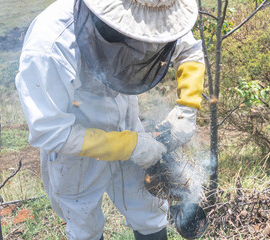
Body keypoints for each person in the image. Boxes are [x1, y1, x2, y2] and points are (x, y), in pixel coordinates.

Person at [15, 0, 205, 239]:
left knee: (148, 209)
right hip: (75, 144)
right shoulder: (50, 45)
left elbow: (188, 49)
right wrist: (131, 146)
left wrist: (186, 108)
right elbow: (52, 132)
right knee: (84, 223)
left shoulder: (156, 9)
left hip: (127, 121)